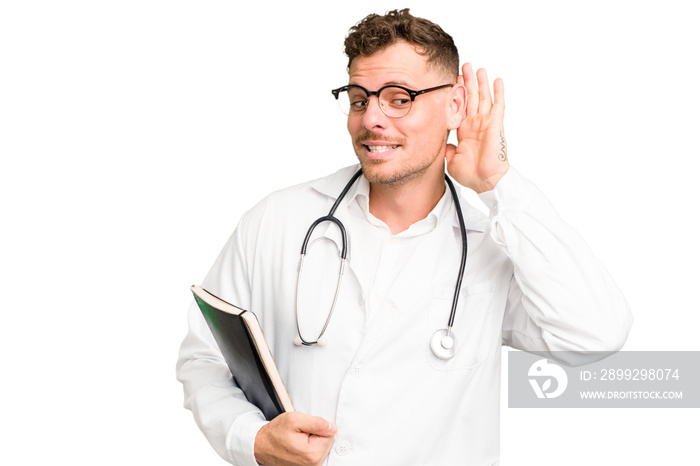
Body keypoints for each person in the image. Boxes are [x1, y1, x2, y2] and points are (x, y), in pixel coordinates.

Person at [177, 9, 632, 466]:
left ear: (455, 105)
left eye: (399, 98)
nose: (371, 118)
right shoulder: (276, 221)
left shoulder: (495, 245)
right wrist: (251, 439)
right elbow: (205, 358)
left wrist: (499, 185)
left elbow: (594, 337)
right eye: (359, 99)